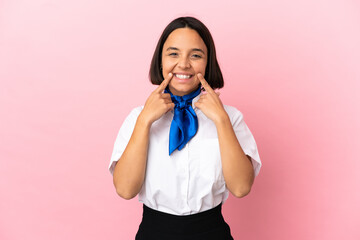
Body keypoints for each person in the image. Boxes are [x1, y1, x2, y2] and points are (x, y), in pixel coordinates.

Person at [108, 16, 262, 240]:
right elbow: (125, 190)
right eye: (173, 53)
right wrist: (144, 122)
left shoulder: (230, 117)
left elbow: (240, 188)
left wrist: (221, 120)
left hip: (212, 233)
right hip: (154, 232)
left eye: (196, 55)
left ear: (208, 63)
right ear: (160, 61)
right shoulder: (136, 118)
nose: (184, 64)